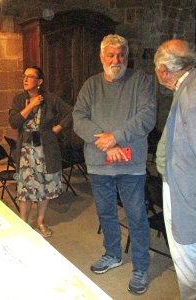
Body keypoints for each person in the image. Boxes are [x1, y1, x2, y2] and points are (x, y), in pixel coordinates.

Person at [73, 34, 157, 294]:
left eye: (121, 54)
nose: (116, 60)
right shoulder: (91, 85)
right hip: (99, 164)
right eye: (110, 55)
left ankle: (141, 266)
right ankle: (113, 254)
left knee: (136, 216)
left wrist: (116, 138)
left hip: (130, 164)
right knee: (106, 213)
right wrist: (107, 142)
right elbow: (78, 118)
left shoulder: (141, 81)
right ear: (101, 57)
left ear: (127, 56)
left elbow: (147, 116)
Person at [154, 39, 196, 299]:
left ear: (163, 70)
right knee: (191, 261)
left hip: (191, 196)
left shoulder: (193, 95)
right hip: (186, 187)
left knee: (191, 265)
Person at [9, 66, 72, 238]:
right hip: (25, 152)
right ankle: (23, 223)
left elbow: (71, 112)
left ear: (40, 81)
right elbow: (14, 122)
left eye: (30, 76)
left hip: (46, 150)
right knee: (24, 189)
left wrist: (58, 128)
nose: (25, 79)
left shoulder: (50, 99)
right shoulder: (19, 99)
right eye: (24, 76)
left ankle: (40, 221)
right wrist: (30, 106)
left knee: (44, 187)